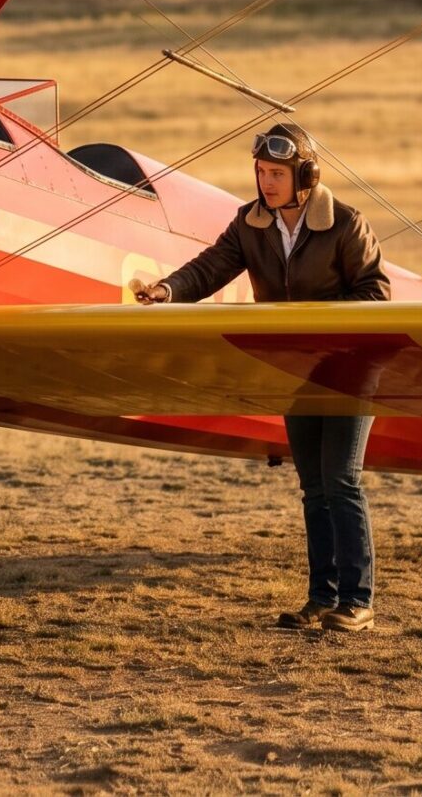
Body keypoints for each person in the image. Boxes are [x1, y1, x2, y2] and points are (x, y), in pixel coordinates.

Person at [136, 122, 389, 631]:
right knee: (314, 486)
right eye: (261, 172)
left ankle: (357, 602)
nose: (267, 182)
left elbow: (376, 294)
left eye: (277, 172)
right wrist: (166, 291)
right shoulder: (249, 224)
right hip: (293, 375)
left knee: (341, 480)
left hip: (348, 373)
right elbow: (210, 268)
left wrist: (312, 322)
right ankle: (321, 599)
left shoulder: (346, 224)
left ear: (307, 175)